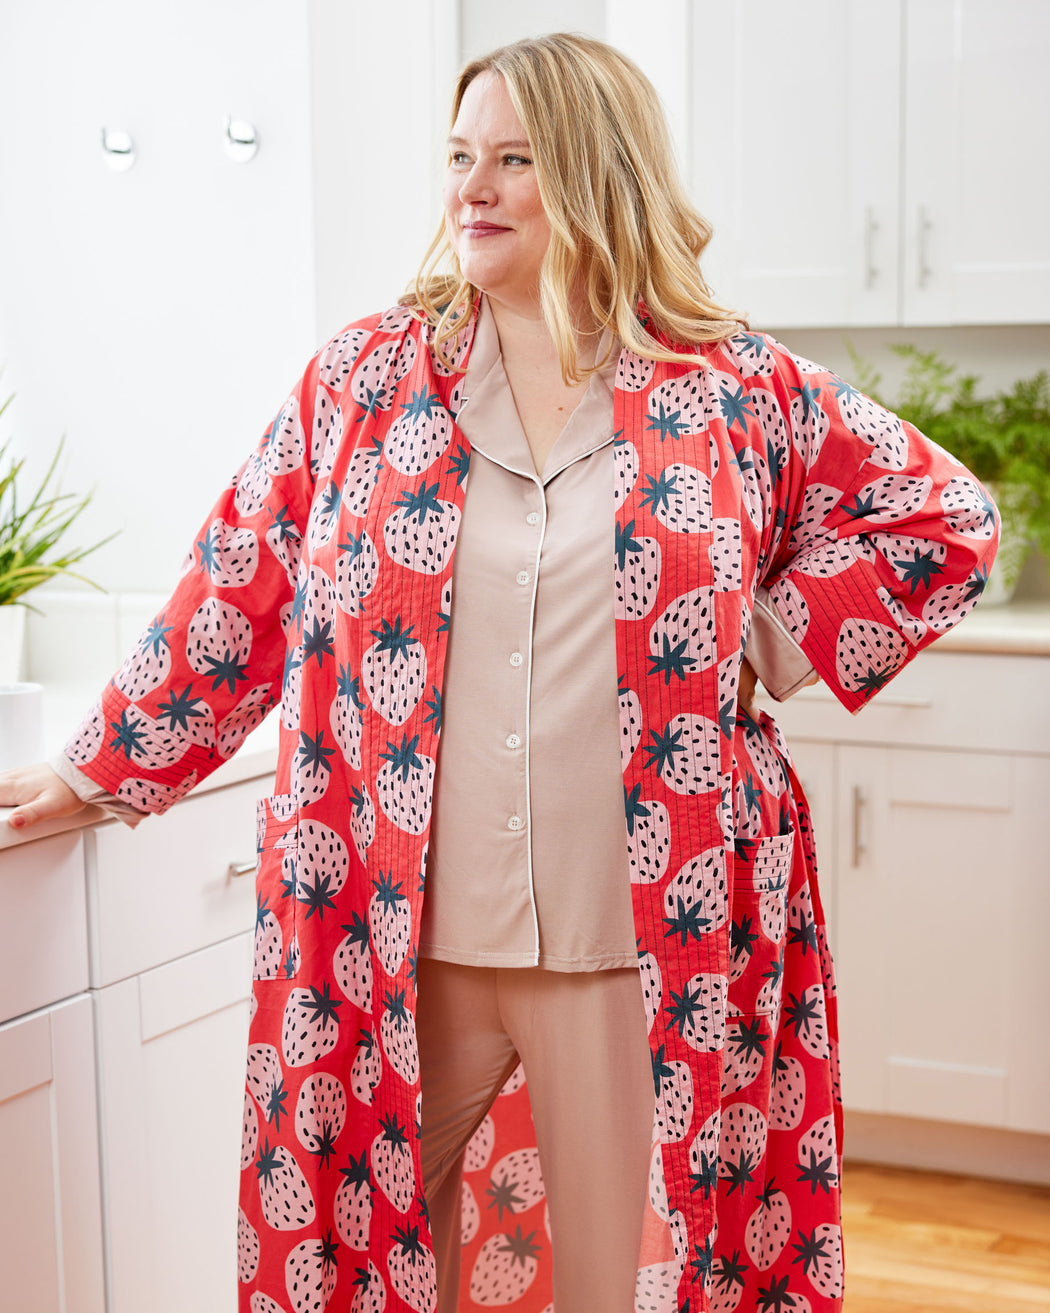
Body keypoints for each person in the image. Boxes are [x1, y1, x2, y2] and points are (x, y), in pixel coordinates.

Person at [0, 32, 998, 1313]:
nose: (474, 185)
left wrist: (770, 640)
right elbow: (238, 582)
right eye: (462, 155)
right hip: (390, 939)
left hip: (639, 943)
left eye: (516, 159)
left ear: (599, 175)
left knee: (629, 1279)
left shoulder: (737, 386)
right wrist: (103, 767)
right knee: (359, 1260)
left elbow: (946, 520)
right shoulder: (362, 383)